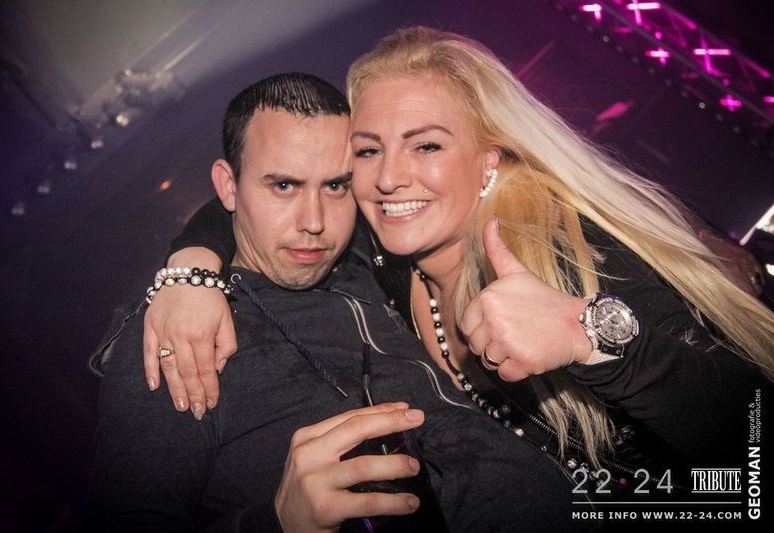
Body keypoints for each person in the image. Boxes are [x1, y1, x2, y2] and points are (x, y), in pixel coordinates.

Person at [146, 25, 774, 495]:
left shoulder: (570, 250)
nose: (388, 178)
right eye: (368, 151)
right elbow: (261, 194)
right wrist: (190, 271)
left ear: (488, 160)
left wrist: (594, 339)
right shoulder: (381, 251)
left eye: (426, 146)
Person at [84, 72, 589, 532]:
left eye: (336, 185)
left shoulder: (373, 252)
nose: (315, 221)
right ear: (228, 186)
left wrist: (191, 261)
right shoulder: (177, 335)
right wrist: (278, 522)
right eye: (284, 185)